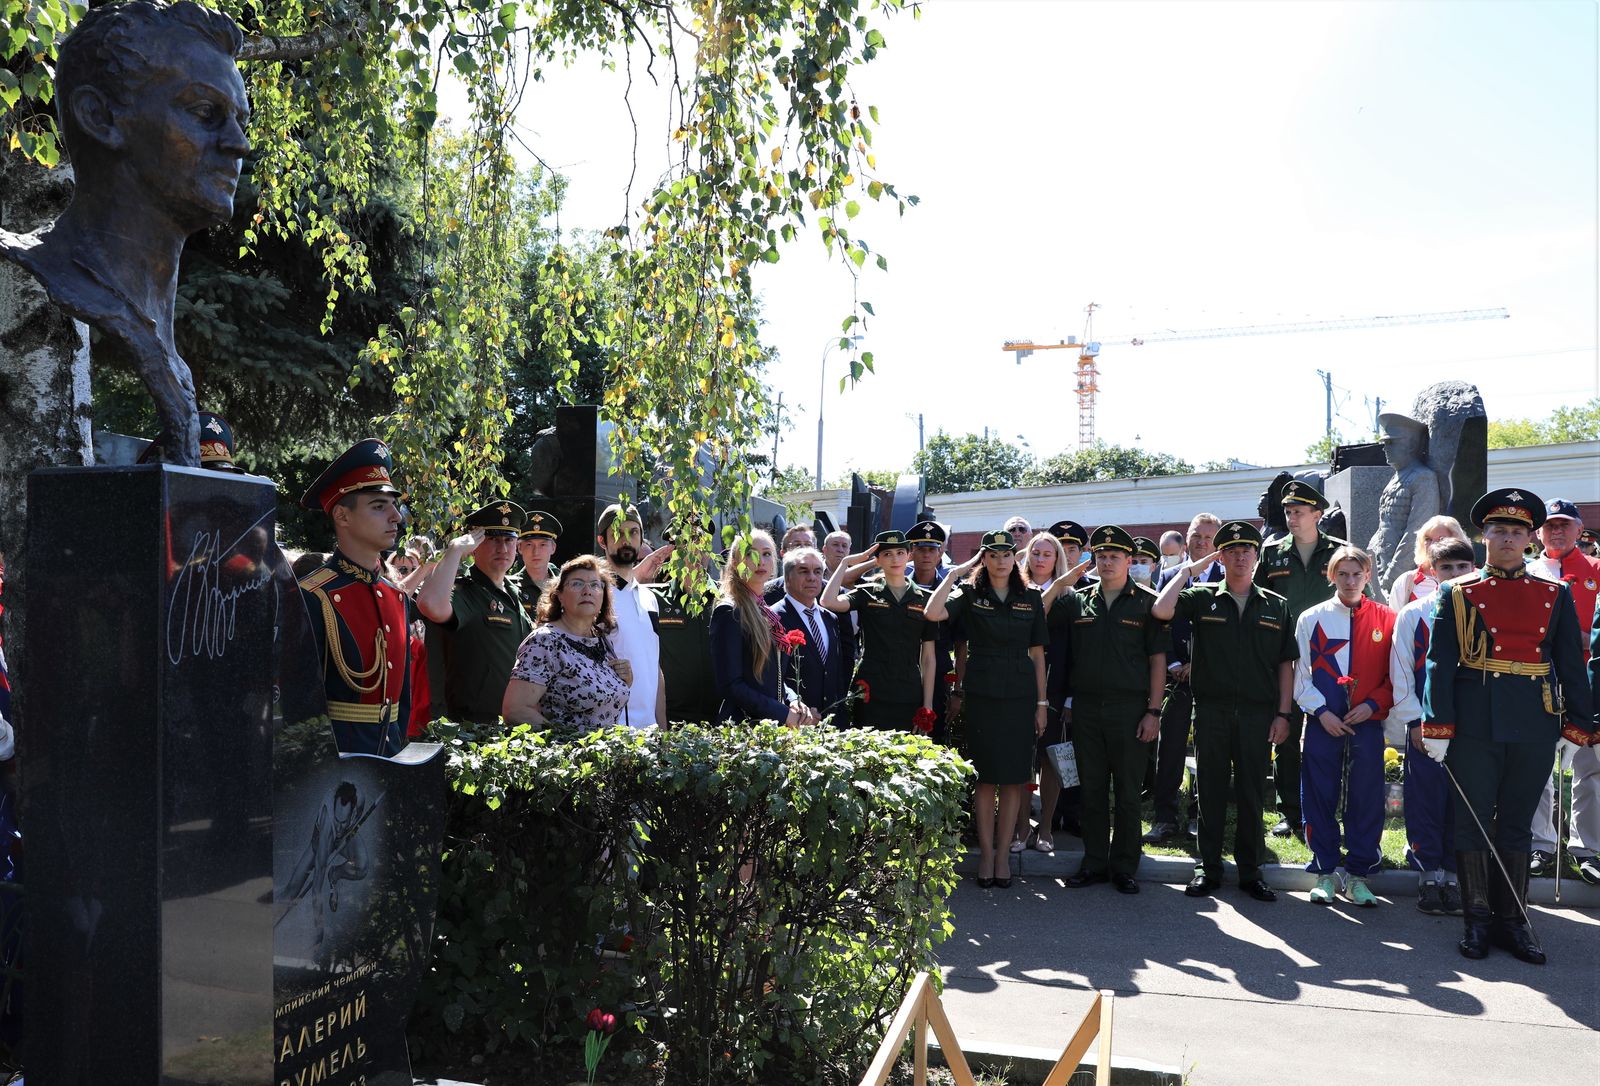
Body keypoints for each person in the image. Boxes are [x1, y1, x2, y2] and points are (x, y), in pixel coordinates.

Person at [1422, 488, 1596, 963]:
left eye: (1517, 531)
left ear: (1529, 539)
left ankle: (1514, 920)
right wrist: (1438, 725)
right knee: (1473, 822)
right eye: (1498, 529)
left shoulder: (1554, 593)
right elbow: (1440, 663)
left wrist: (1577, 727)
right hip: (1474, 722)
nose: (1507, 538)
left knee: (1518, 823)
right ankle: (1478, 920)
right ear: (1484, 536)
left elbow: (1571, 663)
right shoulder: (1458, 592)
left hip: (1535, 721)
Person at [1154, 520, 1297, 903]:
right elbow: (1161, 609)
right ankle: (1208, 868)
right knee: (1211, 792)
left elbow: (1286, 664)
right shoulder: (1201, 597)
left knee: (1251, 794)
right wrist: (1190, 569)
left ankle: (1251, 872)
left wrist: (1283, 715)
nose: (1239, 557)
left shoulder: (1275, 605)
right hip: (1212, 711)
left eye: (1246, 550)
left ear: (1256, 556)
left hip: (1257, 714)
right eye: (1231, 551)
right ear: (1221, 557)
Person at [925, 530, 1050, 890]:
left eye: (1006, 554)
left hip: (1020, 695)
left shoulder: (1031, 597)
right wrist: (953, 573)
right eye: (992, 555)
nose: (1000, 561)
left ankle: (1002, 855)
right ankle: (985, 855)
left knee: (1012, 777)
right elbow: (933, 613)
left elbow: (1038, 655)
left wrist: (1042, 704)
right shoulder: (968, 594)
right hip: (982, 693)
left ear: (1014, 558)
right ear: (983, 559)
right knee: (984, 776)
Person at [1053, 526, 1166, 894]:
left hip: (1130, 709)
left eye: (1114, 556)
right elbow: (1040, 614)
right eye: (1100, 556)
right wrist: (1063, 582)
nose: (1106, 562)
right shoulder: (1078, 601)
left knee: (1129, 792)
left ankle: (1124, 866)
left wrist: (1153, 711)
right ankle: (1094, 862)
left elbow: (1158, 661)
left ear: (1129, 561)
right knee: (1092, 790)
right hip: (1087, 708)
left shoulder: (1147, 603)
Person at [1292, 545, 1397, 907]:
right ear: (1331, 576)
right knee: (1319, 793)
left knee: (1365, 796)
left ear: (1367, 576)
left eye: (1357, 574)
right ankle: (1324, 871)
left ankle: (1358, 875)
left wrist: (1372, 705)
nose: (1350, 581)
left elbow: (1396, 675)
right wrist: (1321, 711)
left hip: (1366, 722)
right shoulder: (1311, 618)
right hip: (1324, 722)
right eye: (1343, 574)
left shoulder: (1387, 618)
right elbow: (1301, 675)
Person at [296, 438, 412, 755]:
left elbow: (402, 699)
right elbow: (301, 706)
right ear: (342, 516)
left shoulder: (396, 597)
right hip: (338, 760)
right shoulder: (313, 596)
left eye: (394, 506)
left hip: (390, 755)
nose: (396, 517)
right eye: (379, 506)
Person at [1390, 537, 1478, 915]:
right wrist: (1413, 720)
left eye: (1462, 567)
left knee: (1463, 801)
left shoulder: (1485, 611)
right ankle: (1428, 874)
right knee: (1426, 797)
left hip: (1473, 727)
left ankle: (1454, 876)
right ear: (1431, 572)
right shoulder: (1413, 614)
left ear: (1473, 568)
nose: (1455, 574)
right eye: (1446, 568)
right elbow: (1401, 672)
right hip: (1426, 725)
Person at [1255, 479, 1343, 839]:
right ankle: (1289, 811)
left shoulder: (1339, 552)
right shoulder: (1271, 553)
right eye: (1289, 512)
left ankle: (1326, 809)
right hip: (1285, 657)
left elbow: (1359, 600)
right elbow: (1259, 600)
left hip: (1330, 658)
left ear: (1317, 515)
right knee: (1286, 732)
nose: (1292, 518)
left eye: (1299, 512)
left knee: (1328, 732)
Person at [1525, 498, 1600, 882]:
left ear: (1579, 530)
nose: (1556, 531)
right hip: (1535, 681)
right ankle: (1540, 844)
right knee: (1537, 766)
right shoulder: (1523, 572)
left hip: (1586, 682)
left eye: (1564, 524)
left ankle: (1588, 849)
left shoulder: (1597, 570)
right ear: (1538, 532)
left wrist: (1579, 639)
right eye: (1550, 525)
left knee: (1590, 766)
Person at [415, 501, 533, 726]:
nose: (502, 548)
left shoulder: (515, 593)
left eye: (509, 540)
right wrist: (455, 550)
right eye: (493, 539)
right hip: (472, 727)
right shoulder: (465, 591)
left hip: (513, 725)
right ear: (474, 546)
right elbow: (430, 604)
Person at [1145, 513, 1224, 844]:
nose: (1201, 542)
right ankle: (1165, 816)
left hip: (1212, 679)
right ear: (1186, 539)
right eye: (1196, 536)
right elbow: (1160, 625)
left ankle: (1197, 815)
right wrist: (1176, 661)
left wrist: (1199, 663)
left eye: (1208, 537)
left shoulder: (1227, 576)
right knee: (1171, 748)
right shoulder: (1169, 575)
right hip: (1175, 677)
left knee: (1207, 748)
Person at [819, 530, 938, 730]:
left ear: (909, 556)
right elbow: (828, 601)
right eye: (887, 554)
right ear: (878, 560)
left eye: (900, 553)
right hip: (871, 689)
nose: (895, 559)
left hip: (908, 691)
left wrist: (927, 704)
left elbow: (928, 657)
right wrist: (845, 562)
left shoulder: (925, 599)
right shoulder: (866, 593)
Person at [501, 556, 633, 733]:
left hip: (606, 749)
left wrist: (624, 680)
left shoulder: (601, 640)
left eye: (595, 585)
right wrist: (569, 742)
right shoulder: (545, 641)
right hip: (567, 751)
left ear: (603, 597)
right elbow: (516, 711)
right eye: (577, 584)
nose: (587, 591)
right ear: (559, 596)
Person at [709, 530, 816, 726]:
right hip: (742, 728)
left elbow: (773, 677)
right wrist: (782, 713)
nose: (761, 561)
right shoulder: (729, 611)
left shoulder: (766, 611)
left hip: (771, 726)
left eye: (767, 554)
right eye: (750, 553)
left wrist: (793, 701)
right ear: (735, 562)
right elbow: (731, 685)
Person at [1020, 531, 1074, 852]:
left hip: (1056, 689)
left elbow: (1075, 652)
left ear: (1057, 559)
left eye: (1047, 554)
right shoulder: (1015, 589)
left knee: (1050, 761)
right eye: (1035, 553)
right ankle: (1021, 826)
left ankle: (1046, 827)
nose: (1040, 559)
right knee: (1022, 762)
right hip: (1018, 687)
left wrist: (1071, 698)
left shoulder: (1069, 596)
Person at [597, 502, 665, 729]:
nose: (626, 540)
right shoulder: (594, 595)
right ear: (602, 541)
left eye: (633, 532)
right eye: (618, 533)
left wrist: (662, 728)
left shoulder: (650, 598)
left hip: (650, 732)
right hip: (612, 733)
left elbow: (654, 667)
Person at [772, 547, 855, 720]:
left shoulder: (830, 618)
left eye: (817, 571)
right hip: (795, 722)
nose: (812, 577)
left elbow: (836, 672)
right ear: (787, 577)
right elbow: (771, 677)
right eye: (803, 571)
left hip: (832, 722)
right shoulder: (773, 618)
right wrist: (795, 708)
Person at [907, 520, 958, 740]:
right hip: (905, 672)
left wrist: (958, 689)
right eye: (921, 549)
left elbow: (961, 643)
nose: (926, 555)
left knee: (933, 738)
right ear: (911, 553)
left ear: (940, 554)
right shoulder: (900, 587)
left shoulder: (952, 592)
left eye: (931, 550)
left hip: (939, 675)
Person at [1384, 515, 1471, 611]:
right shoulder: (1407, 581)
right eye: (1428, 539)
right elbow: (1396, 618)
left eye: (1441, 539)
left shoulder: (1476, 576)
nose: (1432, 544)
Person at [515, 509, 563, 622]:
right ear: (519, 548)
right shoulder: (510, 587)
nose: (536, 552)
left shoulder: (564, 585)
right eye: (529, 545)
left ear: (553, 548)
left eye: (543, 545)